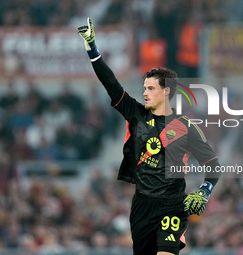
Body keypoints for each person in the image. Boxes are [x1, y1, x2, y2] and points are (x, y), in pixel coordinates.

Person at [77, 18, 221, 255]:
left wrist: (204, 190)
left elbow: (213, 165)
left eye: (150, 88)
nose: (144, 93)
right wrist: (93, 50)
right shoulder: (135, 114)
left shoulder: (186, 127)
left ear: (166, 92)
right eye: (144, 88)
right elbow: (112, 84)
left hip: (172, 205)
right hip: (141, 205)